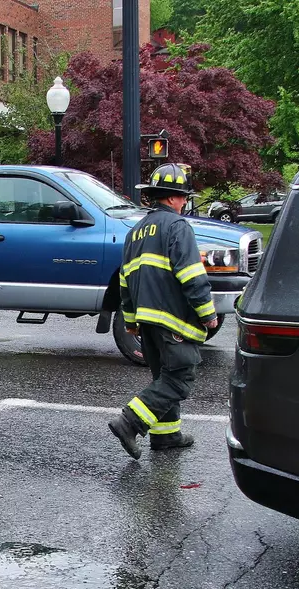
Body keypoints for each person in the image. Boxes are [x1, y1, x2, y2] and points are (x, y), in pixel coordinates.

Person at [107, 163, 219, 459]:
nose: (184, 203)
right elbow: (192, 274)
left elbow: (125, 282)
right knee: (179, 378)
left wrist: (130, 322)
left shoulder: (135, 232)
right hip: (173, 320)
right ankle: (129, 422)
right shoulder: (177, 227)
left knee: (163, 378)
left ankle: (166, 435)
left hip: (146, 321)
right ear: (172, 198)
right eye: (183, 197)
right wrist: (208, 314)